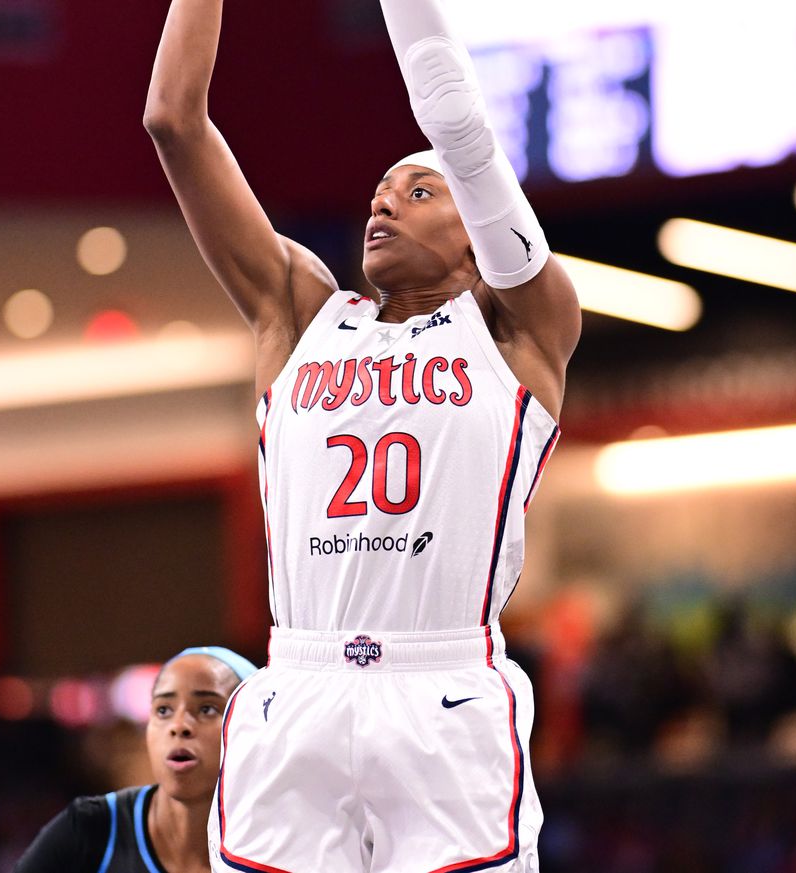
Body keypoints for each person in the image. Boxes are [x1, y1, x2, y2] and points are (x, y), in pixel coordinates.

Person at [143, 0, 580, 868]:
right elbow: (171, 121)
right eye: (379, 193)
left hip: (442, 688)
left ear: (479, 234)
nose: (384, 203)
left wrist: (444, 131)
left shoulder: (523, 328)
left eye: (418, 192)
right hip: (298, 682)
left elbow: (459, 125)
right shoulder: (301, 310)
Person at [14, 647, 259, 873]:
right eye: (163, 710)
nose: (178, 726)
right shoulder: (90, 830)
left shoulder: (280, 844)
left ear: (253, 731)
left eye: (207, 708)